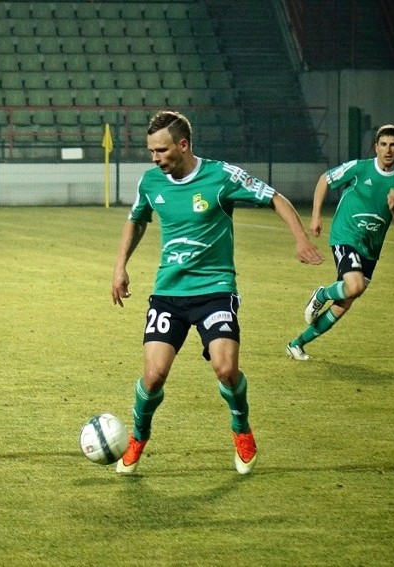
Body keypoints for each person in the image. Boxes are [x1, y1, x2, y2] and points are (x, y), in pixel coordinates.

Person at [111, 110, 323, 475]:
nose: (154, 158)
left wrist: (301, 239)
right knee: (153, 377)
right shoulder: (150, 182)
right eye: (150, 151)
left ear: (183, 144)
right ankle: (138, 437)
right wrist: (120, 266)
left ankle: (241, 427)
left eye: (161, 150)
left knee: (226, 369)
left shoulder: (222, 176)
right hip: (169, 293)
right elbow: (137, 220)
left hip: (215, 290)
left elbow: (275, 197)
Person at [286, 124, 394, 361]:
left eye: (393, 145)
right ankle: (321, 294)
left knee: (344, 303)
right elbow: (325, 179)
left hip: (371, 248)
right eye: (383, 144)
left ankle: (297, 344)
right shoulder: (360, 168)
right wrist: (315, 216)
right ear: (375, 147)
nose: (388, 150)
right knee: (354, 286)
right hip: (345, 235)